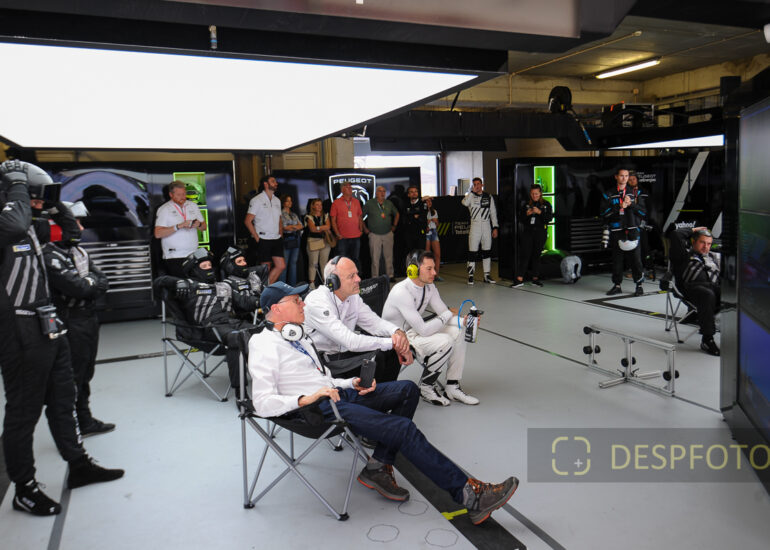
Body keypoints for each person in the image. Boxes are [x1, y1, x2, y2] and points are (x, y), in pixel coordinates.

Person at [249, 281, 518, 525]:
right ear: (276, 309)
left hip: (335, 394)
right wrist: (307, 398)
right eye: (296, 301)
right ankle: (471, 496)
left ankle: (378, 466)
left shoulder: (297, 335)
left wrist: (351, 383)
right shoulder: (263, 344)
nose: (303, 304)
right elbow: (261, 403)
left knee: (407, 390)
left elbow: (323, 378)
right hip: (313, 409)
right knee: (403, 428)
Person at [0, 160, 124, 517]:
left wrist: (54, 204)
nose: (39, 204)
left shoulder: (32, 226)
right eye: (34, 197)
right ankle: (24, 488)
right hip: (18, 328)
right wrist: (18, 185)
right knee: (23, 411)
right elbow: (13, 223)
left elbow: (70, 234)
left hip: (48, 323)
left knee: (63, 397)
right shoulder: (10, 224)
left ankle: (78, 464)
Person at [42, 201, 115, 436]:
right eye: (77, 223)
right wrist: (89, 284)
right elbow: (79, 288)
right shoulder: (48, 255)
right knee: (70, 377)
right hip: (69, 322)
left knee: (85, 373)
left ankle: (84, 420)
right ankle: (69, 430)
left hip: (88, 319)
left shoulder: (78, 252)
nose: (81, 228)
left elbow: (102, 280)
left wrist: (89, 284)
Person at [154, 248, 261, 392]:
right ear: (193, 270)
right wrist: (177, 281)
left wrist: (266, 300)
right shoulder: (187, 286)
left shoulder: (223, 286)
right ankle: (240, 393)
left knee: (264, 333)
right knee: (237, 338)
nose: (209, 269)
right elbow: (157, 283)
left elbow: (245, 302)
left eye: (210, 265)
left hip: (233, 323)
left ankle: (265, 380)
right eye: (204, 266)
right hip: (208, 329)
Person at [382, 250, 480, 406]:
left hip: (414, 332)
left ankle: (452, 386)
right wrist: (448, 313)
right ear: (413, 269)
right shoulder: (401, 291)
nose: (434, 272)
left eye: (434, 268)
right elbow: (426, 329)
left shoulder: (429, 287)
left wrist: (465, 321)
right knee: (445, 341)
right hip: (398, 338)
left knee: (459, 331)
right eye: (429, 269)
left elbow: (443, 314)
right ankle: (426, 388)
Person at [303, 256, 412, 384]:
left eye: (357, 274)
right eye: (351, 276)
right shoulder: (317, 301)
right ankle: (375, 394)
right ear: (334, 281)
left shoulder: (352, 296)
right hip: (326, 361)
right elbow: (351, 342)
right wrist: (393, 342)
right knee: (379, 356)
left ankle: (385, 391)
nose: (358, 279)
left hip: (345, 353)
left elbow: (374, 322)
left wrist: (396, 332)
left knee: (390, 351)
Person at [669, 226, 721, 356]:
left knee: (736, 292)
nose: (706, 247)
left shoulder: (713, 256)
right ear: (693, 241)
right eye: (702, 242)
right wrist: (694, 230)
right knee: (707, 294)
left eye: (708, 244)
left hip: (713, 289)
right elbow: (676, 235)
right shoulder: (683, 254)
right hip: (691, 288)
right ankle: (707, 339)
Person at [601, 167, 646, 296]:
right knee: (617, 261)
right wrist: (618, 206)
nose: (624, 178)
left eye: (626, 176)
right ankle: (617, 285)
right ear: (616, 177)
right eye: (622, 175)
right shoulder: (608, 194)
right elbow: (604, 213)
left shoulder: (635, 193)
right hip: (617, 230)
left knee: (636, 260)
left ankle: (639, 285)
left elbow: (643, 212)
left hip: (633, 230)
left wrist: (631, 204)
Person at [154, 180, 207, 277]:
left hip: (193, 254)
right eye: (179, 194)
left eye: (184, 194)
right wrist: (178, 226)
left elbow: (204, 227)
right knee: (181, 284)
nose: (183, 197)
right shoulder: (164, 209)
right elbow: (158, 234)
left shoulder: (193, 206)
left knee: (195, 283)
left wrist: (198, 224)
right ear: (171, 194)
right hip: (175, 256)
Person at [245, 175, 285, 284]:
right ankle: (263, 290)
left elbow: (279, 219)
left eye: (275, 181)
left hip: (276, 238)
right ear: (265, 184)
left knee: (281, 266)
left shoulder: (277, 200)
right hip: (263, 238)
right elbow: (247, 221)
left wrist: (281, 234)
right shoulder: (256, 200)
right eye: (273, 181)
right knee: (266, 268)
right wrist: (257, 238)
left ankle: (265, 288)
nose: (276, 183)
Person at [511, 184, 553, 288]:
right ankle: (519, 279)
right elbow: (520, 218)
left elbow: (549, 218)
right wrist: (527, 214)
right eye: (533, 194)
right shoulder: (526, 204)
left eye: (536, 193)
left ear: (540, 193)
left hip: (540, 233)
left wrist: (539, 212)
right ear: (530, 194)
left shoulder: (546, 204)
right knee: (525, 254)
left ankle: (535, 279)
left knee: (536, 255)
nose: (534, 196)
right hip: (528, 232)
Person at [462, 177, 498, 285]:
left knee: (487, 251)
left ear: (482, 185)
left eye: (478, 184)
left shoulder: (488, 196)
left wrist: (495, 227)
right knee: (472, 251)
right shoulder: (470, 196)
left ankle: (487, 276)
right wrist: (472, 192)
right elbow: (464, 203)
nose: (477, 186)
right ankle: (470, 276)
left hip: (486, 225)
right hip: (475, 226)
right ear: (473, 186)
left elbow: (493, 213)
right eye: (475, 184)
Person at [363, 186, 399, 282]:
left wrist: (394, 226)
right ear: (376, 193)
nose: (382, 193)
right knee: (375, 257)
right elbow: (360, 216)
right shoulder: (370, 203)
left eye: (384, 191)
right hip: (374, 234)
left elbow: (397, 214)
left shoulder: (389, 203)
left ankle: (390, 275)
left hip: (388, 233)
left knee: (389, 256)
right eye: (380, 191)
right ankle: (375, 277)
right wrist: (365, 228)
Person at [329, 180, 364, 269]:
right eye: (347, 187)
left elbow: (360, 216)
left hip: (356, 236)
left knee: (356, 259)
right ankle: (344, 277)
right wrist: (337, 234)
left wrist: (361, 229)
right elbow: (333, 220)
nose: (350, 189)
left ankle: (356, 277)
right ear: (342, 190)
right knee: (343, 260)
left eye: (350, 187)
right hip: (342, 237)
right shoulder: (336, 203)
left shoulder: (356, 201)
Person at [305, 198, 332, 289]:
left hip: (325, 242)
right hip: (314, 241)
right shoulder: (309, 217)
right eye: (317, 204)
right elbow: (312, 229)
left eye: (320, 204)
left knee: (324, 263)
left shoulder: (325, 215)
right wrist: (322, 228)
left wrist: (318, 228)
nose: (319, 206)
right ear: (313, 206)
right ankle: (312, 284)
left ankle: (325, 282)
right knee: (313, 263)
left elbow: (328, 226)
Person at [279, 195, 303, 285]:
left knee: (293, 263)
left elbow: (301, 225)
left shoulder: (293, 214)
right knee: (284, 264)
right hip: (286, 239)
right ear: (283, 203)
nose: (290, 203)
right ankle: (282, 286)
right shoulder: (281, 213)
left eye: (291, 201)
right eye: (287, 201)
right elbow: (284, 227)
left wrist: (292, 227)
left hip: (295, 238)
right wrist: (295, 227)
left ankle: (293, 285)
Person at [402, 185, 428, 255]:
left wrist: (412, 216)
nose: (414, 193)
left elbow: (423, 217)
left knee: (421, 253)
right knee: (410, 253)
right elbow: (405, 218)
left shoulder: (422, 203)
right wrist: (414, 216)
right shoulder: (406, 204)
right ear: (408, 194)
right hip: (409, 233)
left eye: (416, 191)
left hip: (420, 232)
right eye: (412, 192)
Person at [423, 196, 443, 282]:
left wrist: (435, 221)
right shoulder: (423, 211)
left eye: (430, 201)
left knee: (437, 254)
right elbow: (422, 223)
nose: (429, 203)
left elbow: (437, 224)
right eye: (427, 201)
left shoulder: (434, 211)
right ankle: (427, 275)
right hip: (427, 233)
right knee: (427, 255)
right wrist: (427, 223)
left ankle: (436, 275)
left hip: (434, 232)